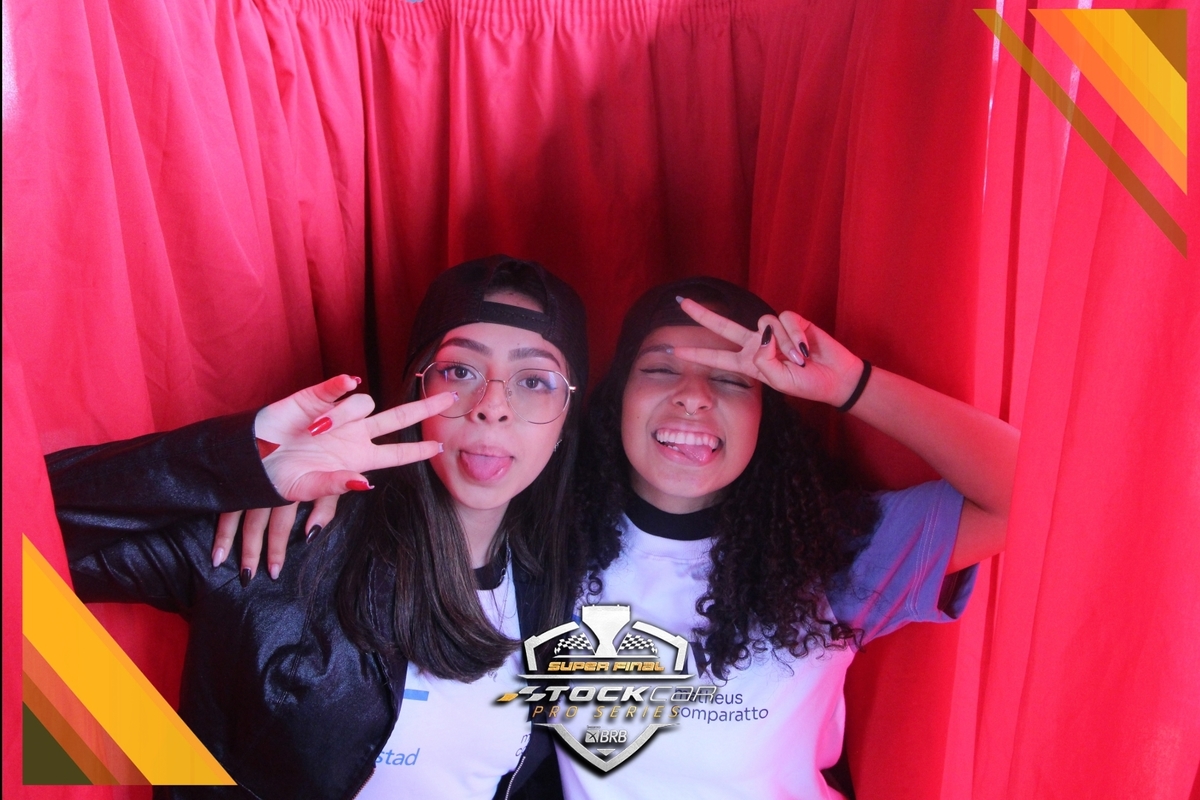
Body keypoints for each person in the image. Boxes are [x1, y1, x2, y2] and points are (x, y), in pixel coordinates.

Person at [47, 255, 588, 799]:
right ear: (417, 392)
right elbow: (30, 528)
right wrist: (241, 462)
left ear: (567, 415)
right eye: (460, 371)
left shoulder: (564, 581)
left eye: (534, 381)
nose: (492, 407)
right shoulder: (284, 539)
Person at [558, 277, 1018, 799]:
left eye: (732, 379)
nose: (693, 396)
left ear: (765, 418)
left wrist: (852, 385)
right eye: (661, 369)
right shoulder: (546, 542)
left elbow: (1029, 492)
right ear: (618, 396)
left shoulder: (826, 551)